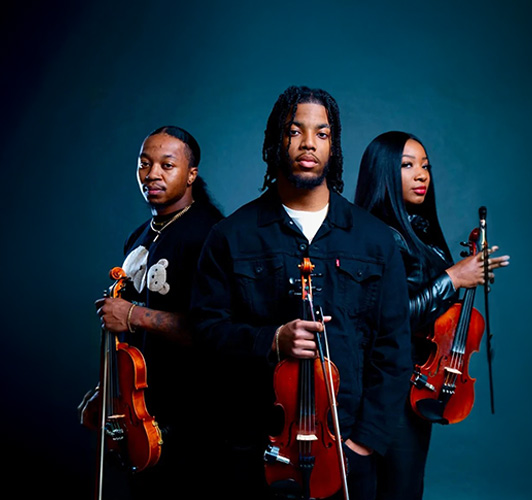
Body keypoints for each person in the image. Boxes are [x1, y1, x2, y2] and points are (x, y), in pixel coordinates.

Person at [190, 86, 412, 500]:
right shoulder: (230, 236)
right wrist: (271, 340)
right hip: (258, 447)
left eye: (322, 134)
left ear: (334, 146)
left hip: (345, 448)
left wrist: (364, 441)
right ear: (277, 140)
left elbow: (394, 348)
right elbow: (205, 330)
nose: (309, 143)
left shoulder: (375, 240)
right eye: (295, 131)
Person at [353, 131, 510, 499]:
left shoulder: (416, 228)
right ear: (383, 172)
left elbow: (430, 312)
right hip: (388, 388)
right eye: (407, 166)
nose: (422, 175)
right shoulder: (380, 236)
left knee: (404, 487)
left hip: (415, 383)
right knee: (397, 489)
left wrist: (462, 278)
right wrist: (454, 278)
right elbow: (391, 319)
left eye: (425, 166)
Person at [77, 125, 224, 499]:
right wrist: (110, 390)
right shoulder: (138, 236)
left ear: (191, 174)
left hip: (194, 417)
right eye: (144, 164)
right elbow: (127, 335)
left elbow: (213, 330)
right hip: (139, 410)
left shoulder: (212, 234)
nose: (152, 174)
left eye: (167, 165)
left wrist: (132, 315)